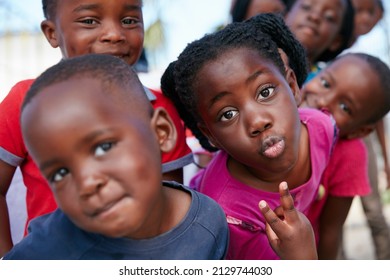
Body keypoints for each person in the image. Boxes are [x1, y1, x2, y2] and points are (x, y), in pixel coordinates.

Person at [0, 0, 193, 257]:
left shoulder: (158, 108)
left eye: (129, 20)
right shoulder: (25, 101)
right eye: (90, 21)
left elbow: (169, 206)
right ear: (52, 33)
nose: (114, 34)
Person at [2, 54, 228, 260]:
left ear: (161, 132)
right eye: (61, 173)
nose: (87, 183)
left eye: (103, 147)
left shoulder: (208, 222)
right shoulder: (47, 249)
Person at [161, 13, 336, 260]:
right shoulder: (226, 217)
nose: (257, 122)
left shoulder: (320, 127)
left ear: (293, 86)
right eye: (228, 113)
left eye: (265, 92)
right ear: (211, 136)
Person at [301, 52, 390, 259]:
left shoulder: (349, 154)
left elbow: (331, 231)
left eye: (344, 107)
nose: (322, 100)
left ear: (358, 131)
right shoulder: (277, 112)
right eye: (325, 83)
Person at [343, 0, 390, 259]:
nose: (367, 20)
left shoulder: (362, 56)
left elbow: (377, 112)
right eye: (365, 10)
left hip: (361, 142)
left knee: (373, 211)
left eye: (374, 16)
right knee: (329, 222)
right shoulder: (324, 45)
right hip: (324, 141)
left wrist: (386, 157)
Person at [284, 0, 355, 81]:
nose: (315, 17)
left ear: (336, 41)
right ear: (286, 15)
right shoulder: (266, 54)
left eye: (329, 17)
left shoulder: (318, 86)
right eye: (307, 7)